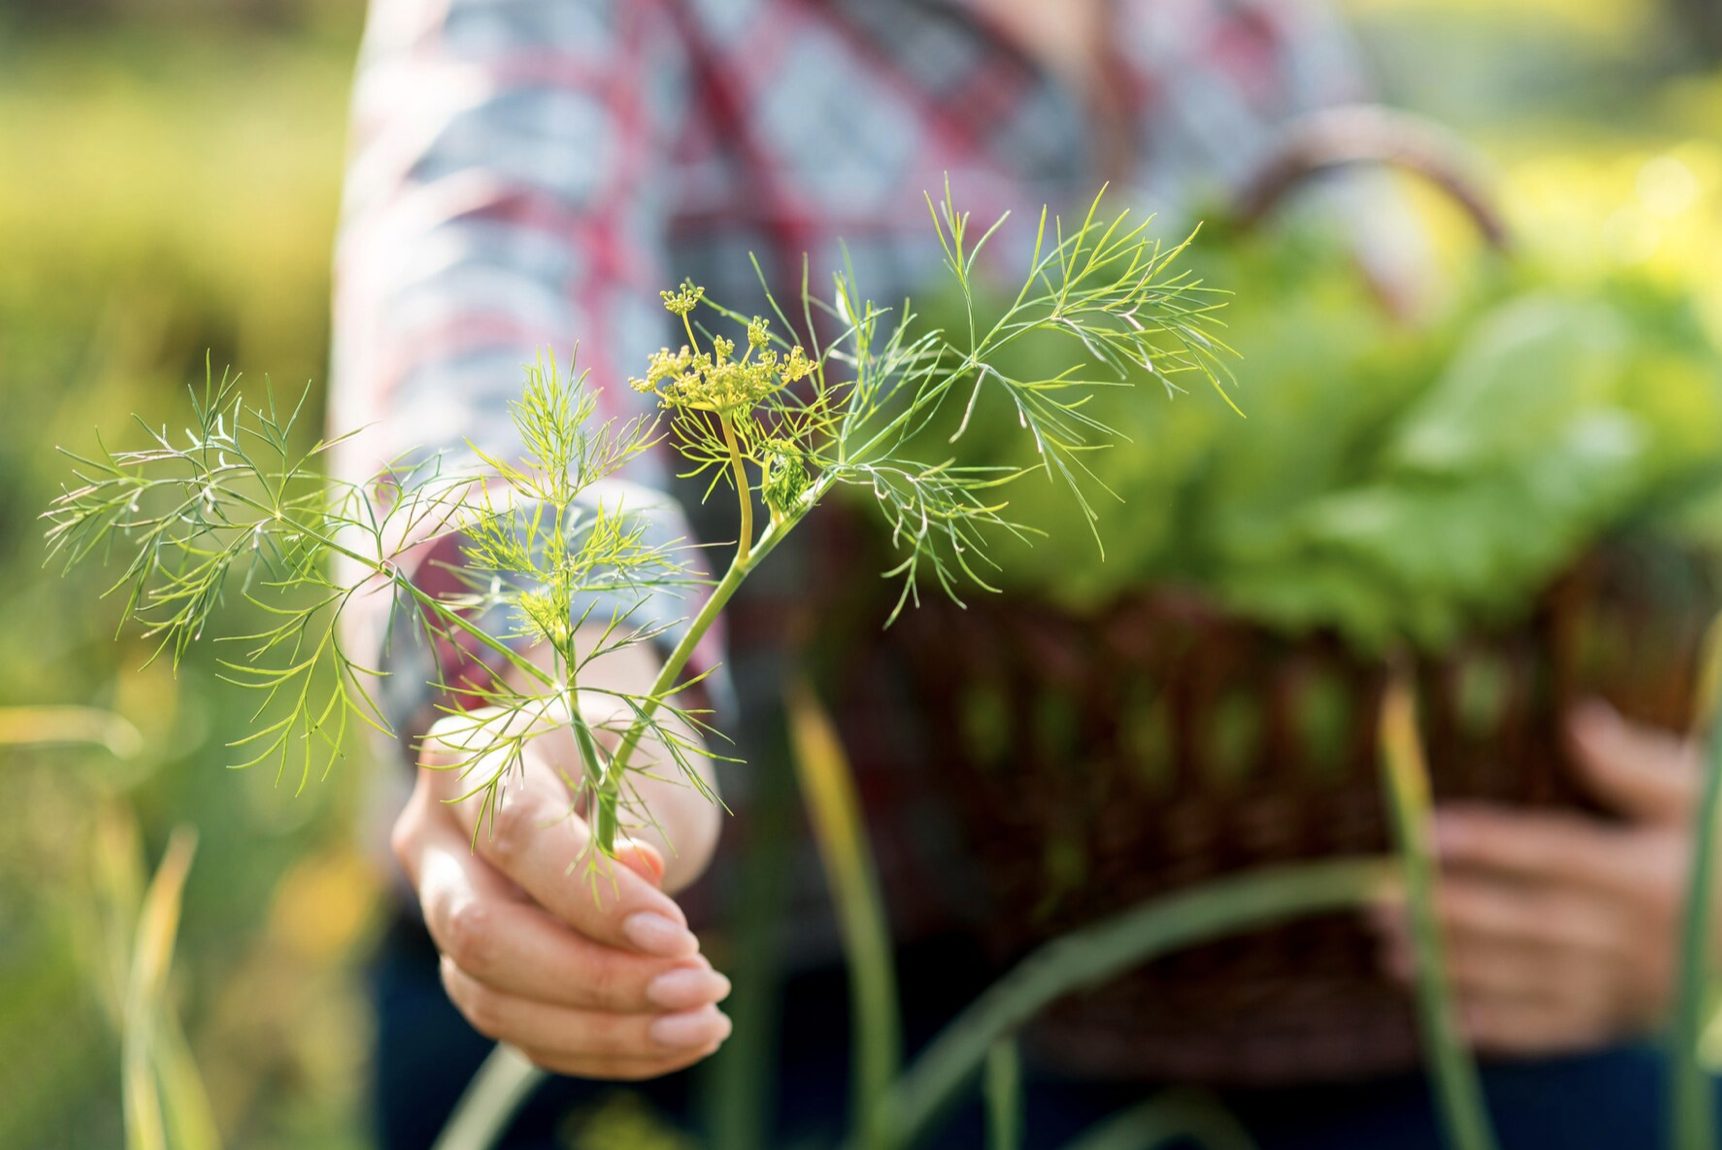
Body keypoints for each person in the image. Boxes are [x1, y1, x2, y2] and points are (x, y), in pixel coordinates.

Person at [331, 0, 1715, 1145]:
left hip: (1244, 945)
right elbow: (485, 335)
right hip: (751, 981)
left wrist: (1673, 876)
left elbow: (1407, 404)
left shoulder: (1247, 32)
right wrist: (563, 688)